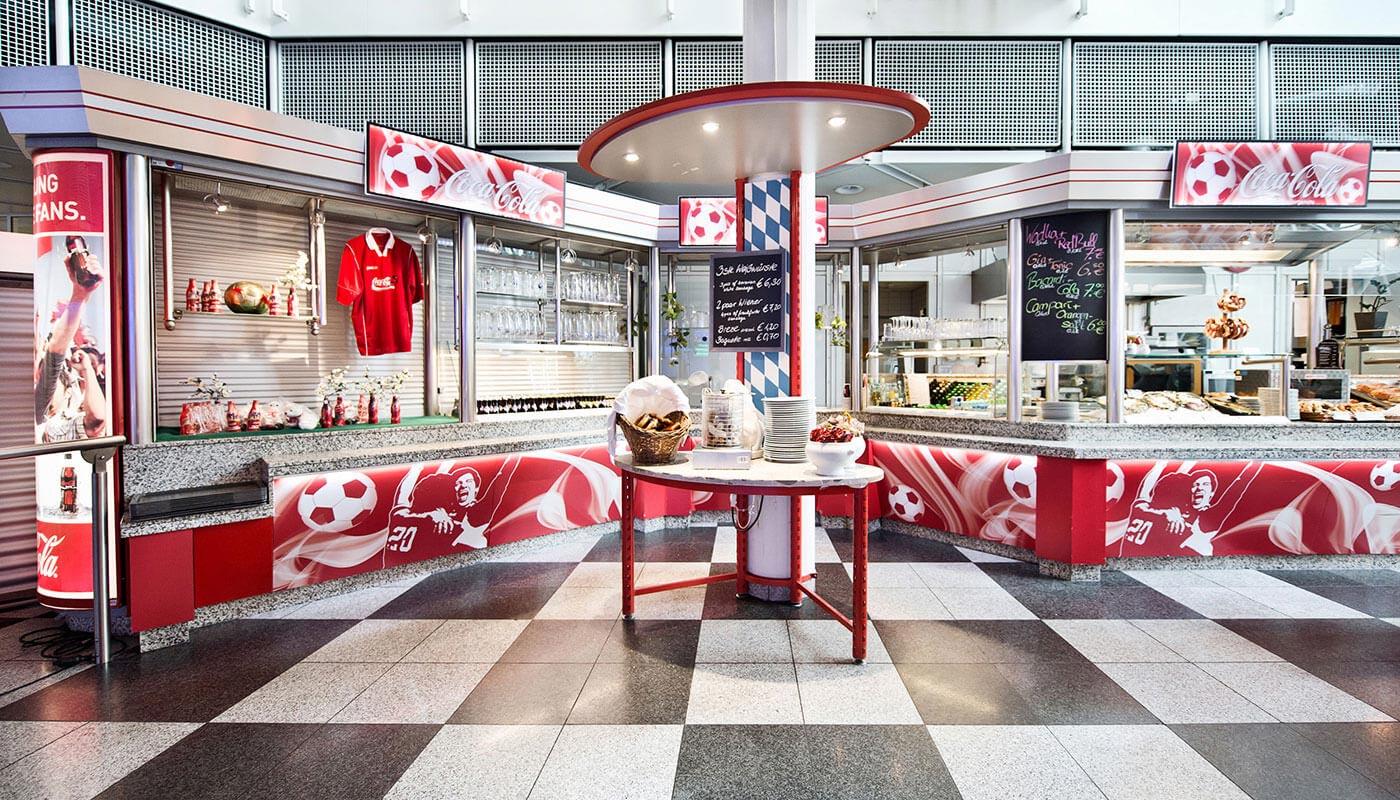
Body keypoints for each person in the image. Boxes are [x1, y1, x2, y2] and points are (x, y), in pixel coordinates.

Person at [34, 236, 107, 442]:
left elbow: (97, 421)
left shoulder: (74, 388)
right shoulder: (44, 418)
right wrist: (79, 296)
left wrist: (87, 370)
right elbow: (53, 355)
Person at [387, 464, 503, 553]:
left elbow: (402, 496)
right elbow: (476, 540)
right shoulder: (444, 526)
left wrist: (416, 468)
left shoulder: (398, 516)